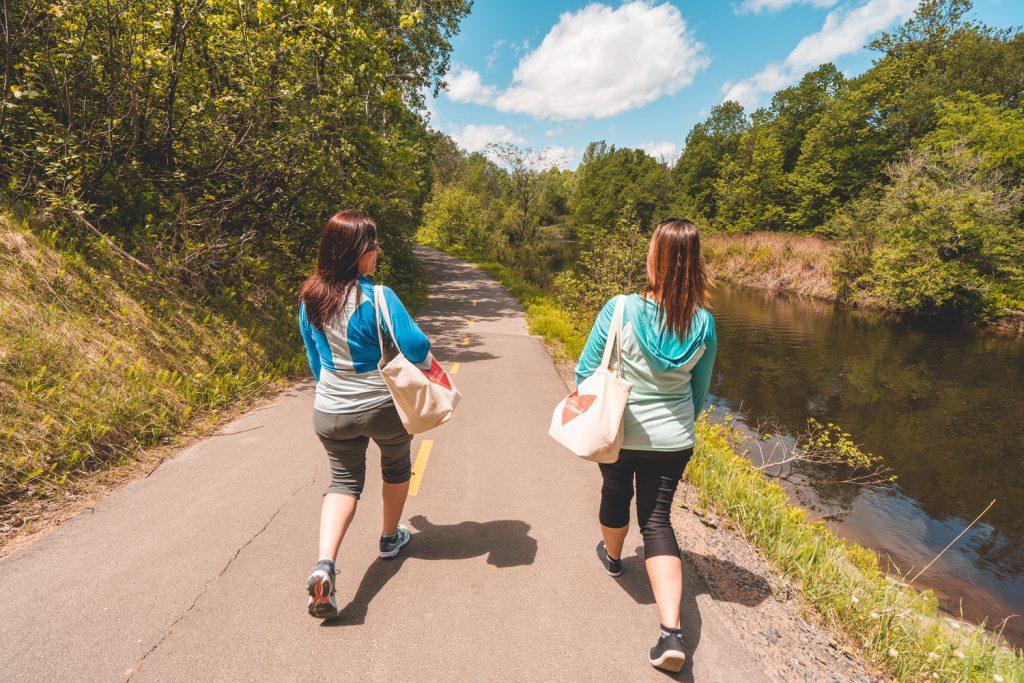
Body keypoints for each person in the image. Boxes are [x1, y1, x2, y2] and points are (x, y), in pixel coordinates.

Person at [574, 218, 717, 672]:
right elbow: (700, 391)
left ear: (656, 257)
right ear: (694, 264)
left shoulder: (620, 308)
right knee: (657, 521)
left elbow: (585, 373)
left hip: (619, 432)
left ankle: (614, 558)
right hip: (674, 440)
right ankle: (670, 633)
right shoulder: (705, 323)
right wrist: (674, 425)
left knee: (615, 494)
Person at [298, 210, 431, 619]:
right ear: (357, 252)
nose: (377, 251)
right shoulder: (379, 296)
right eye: (372, 244)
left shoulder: (309, 299)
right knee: (396, 467)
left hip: (330, 410)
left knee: (342, 482)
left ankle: (325, 563)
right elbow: (418, 348)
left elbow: (317, 366)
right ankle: (390, 538)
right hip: (381, 408)